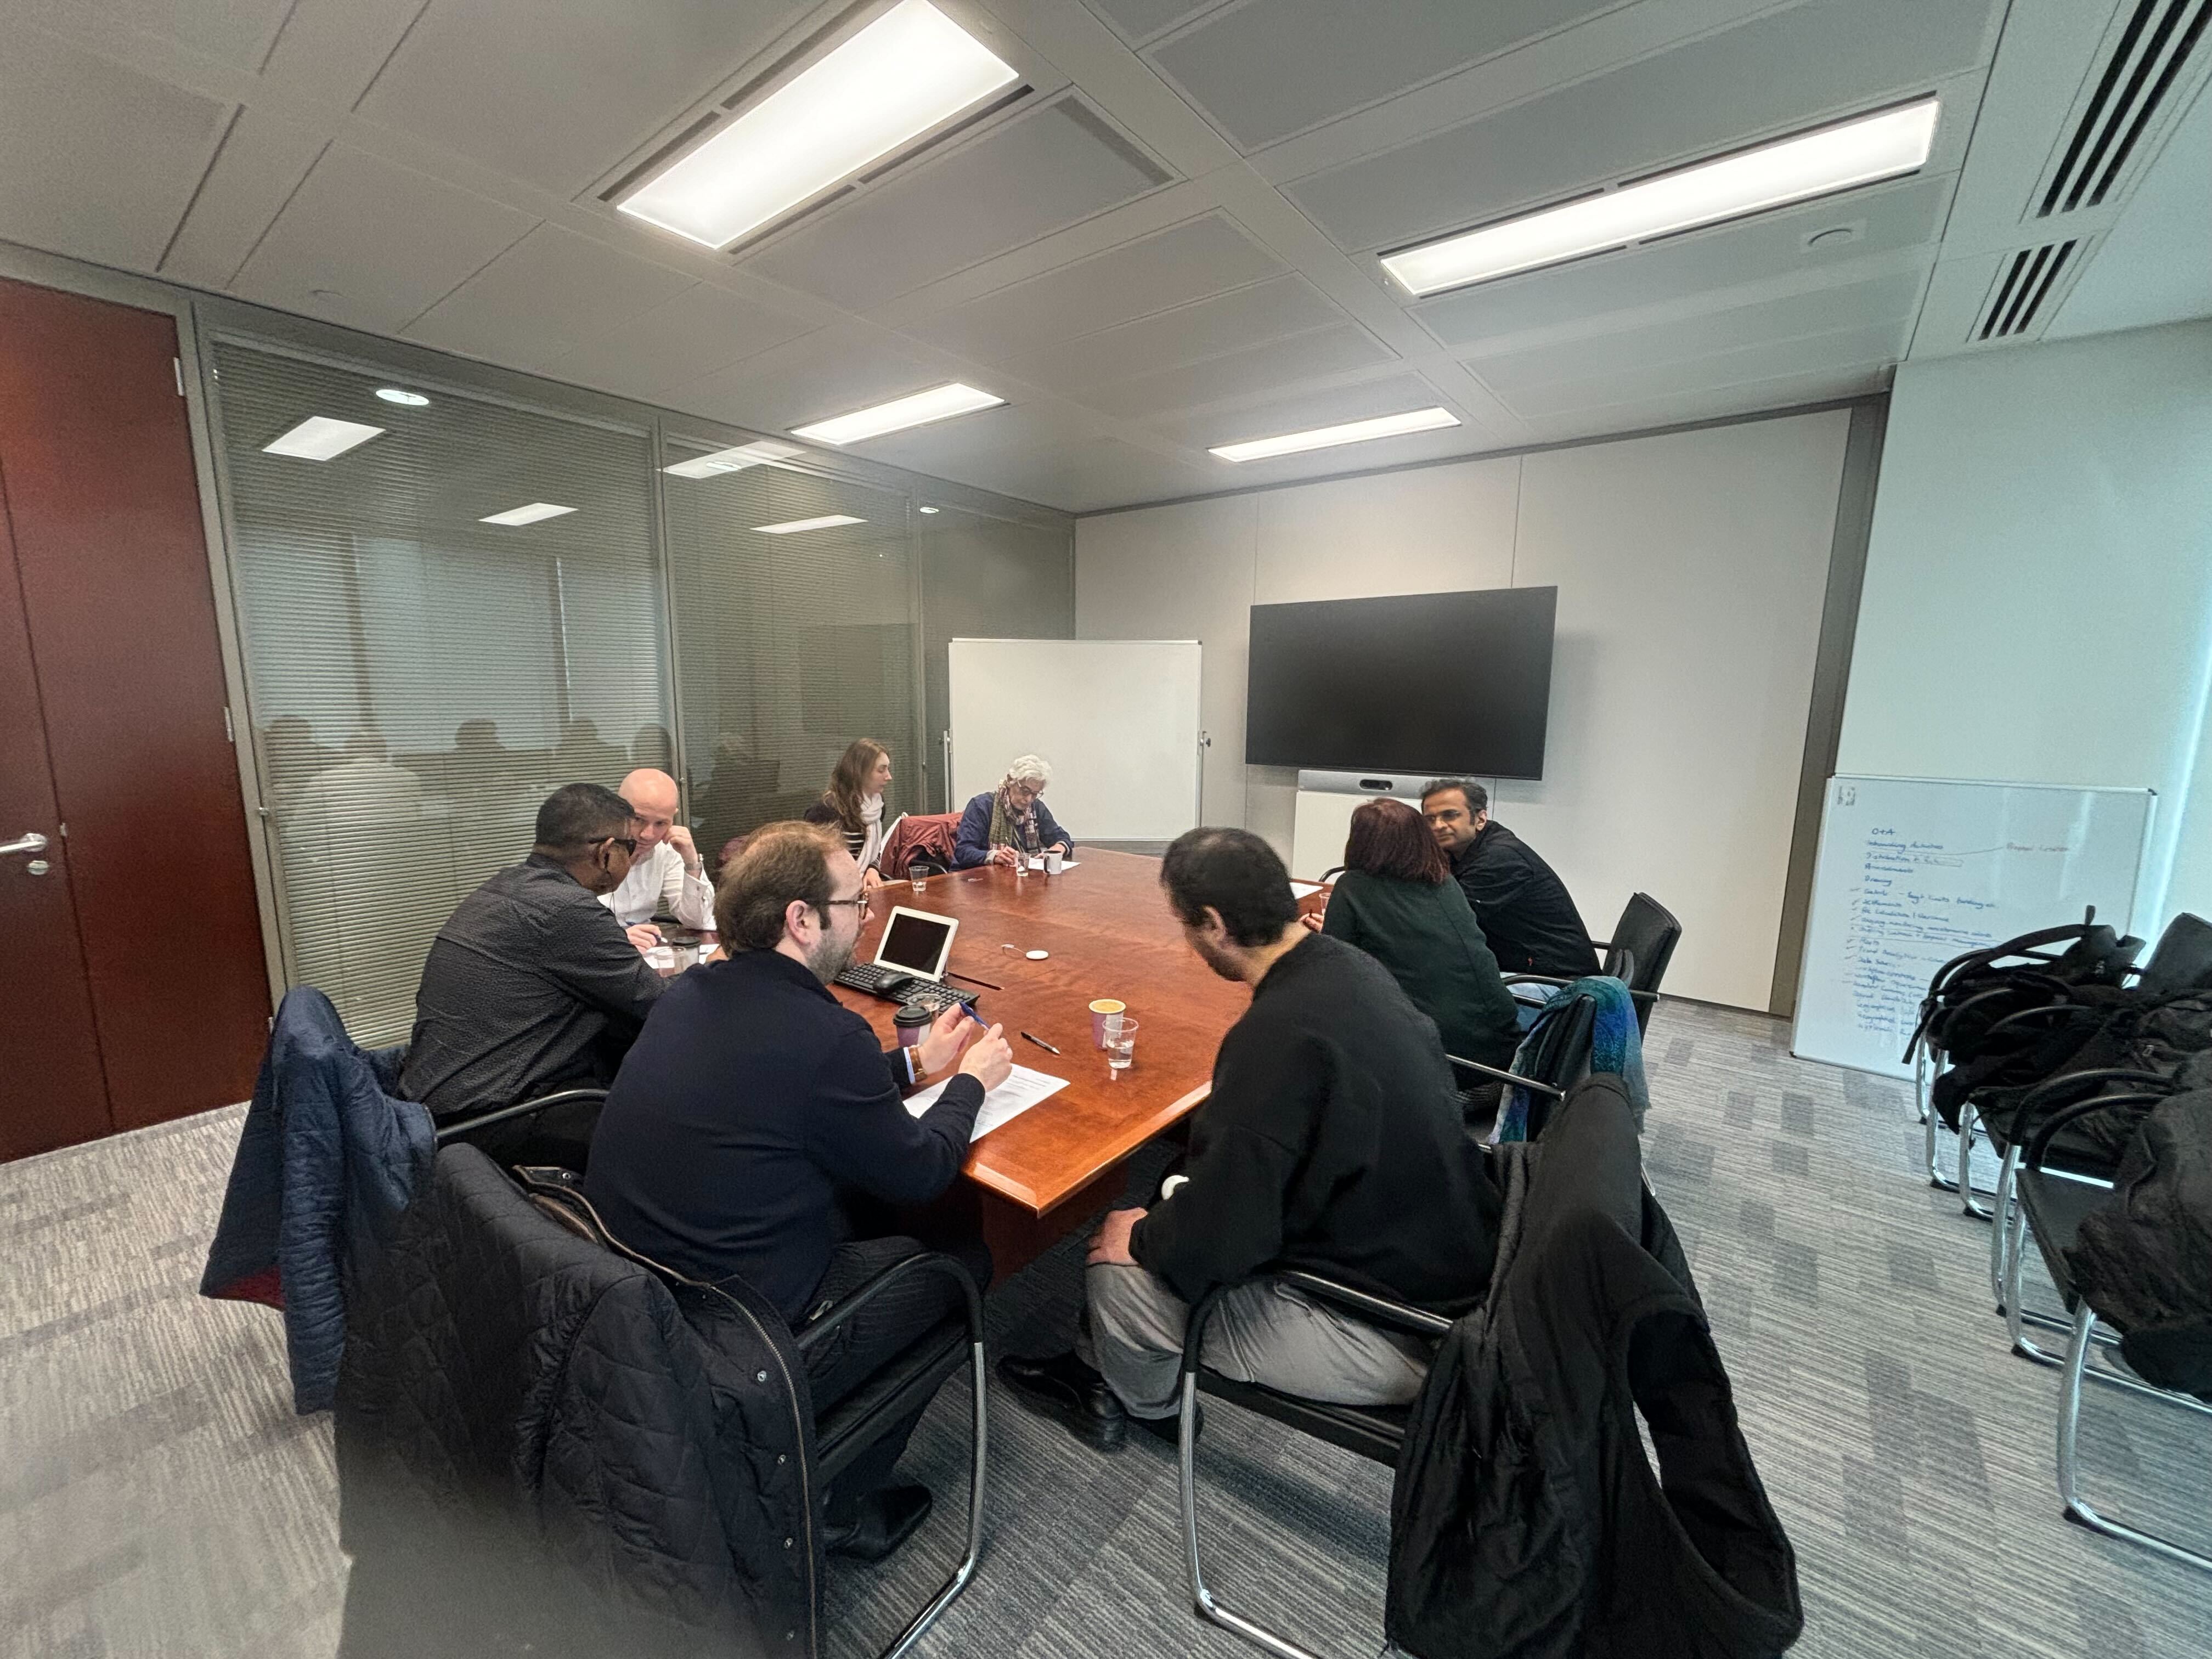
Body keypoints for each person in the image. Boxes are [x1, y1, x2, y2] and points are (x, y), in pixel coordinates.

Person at [583, 822, 1014, 1560]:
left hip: (637, 1299)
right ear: (802, 919)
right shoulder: (823, 1033)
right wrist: (969, 1085)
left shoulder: (690, 995)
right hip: (738, 1333)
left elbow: (793, 1091)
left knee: (863, 1204)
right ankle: (832, 1507)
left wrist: (916, 1067)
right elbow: (919, 1173)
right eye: (857, 904)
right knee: (962, 1263)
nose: (866, 918)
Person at [997, 827, 1502, 1451]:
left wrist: (1144, 1236)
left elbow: (1225, 1240)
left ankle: (1142, 1403)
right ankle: (1105, 1361)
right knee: (1171, 1187)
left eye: (1183, 923)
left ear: (1212, 924)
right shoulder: (1350, 968)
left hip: (1396, 1330)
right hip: (1445, 1264)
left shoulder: (1274, 1040)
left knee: (1115, 1264)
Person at [398, 783, 667, 1159]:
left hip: (440, 1099)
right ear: (607, 853)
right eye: (632, 847)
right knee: (674, 1133)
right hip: (490, 1117)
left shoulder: (502, 887)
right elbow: (659, 1005)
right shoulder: (567, 910)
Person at [1310, 798, 1521, 1072]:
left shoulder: (1353, 887)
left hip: (1442, 1069)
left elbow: (1332, 974)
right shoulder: (1446, 882)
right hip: (1503, 1056)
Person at [1420, 778, 1600, 980]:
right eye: (1429, 819)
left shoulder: (1500, 858)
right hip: (1523, 970)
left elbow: (1447, 923)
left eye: (1450, 815)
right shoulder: (1462, 851)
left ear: (1480, 819)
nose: (1438, 826)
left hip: (1555, 984)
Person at [600, 768, 714, 949]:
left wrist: (691, 860)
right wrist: (615, 939)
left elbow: (697, 922)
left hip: (647, 950)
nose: (648, 834)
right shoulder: (589, 849)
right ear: (616, 810)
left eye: (661, 823)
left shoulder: (667, 849)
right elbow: (565, 926)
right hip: (599, 951)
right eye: (638, 819)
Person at [953, 754, 1073, 870]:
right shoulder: (981, 806)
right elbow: (963, 851)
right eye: (1025, 791)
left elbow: (1062, 839)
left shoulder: (1036, 807)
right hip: (977, 879)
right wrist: (995, 856)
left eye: (1035, 794)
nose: (1029, 799)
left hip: (1018, 877)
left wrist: (1054, 852)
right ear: (1010, 780)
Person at [804, 738, 895, 888]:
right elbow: (816, 864)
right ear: (860, 772)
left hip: (864, 884)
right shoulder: (825, 810)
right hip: (834, 889)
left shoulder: (878, 806)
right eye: (881, 770)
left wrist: (872, 870)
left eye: (888, 769)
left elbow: (874, 848)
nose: (889, 776)